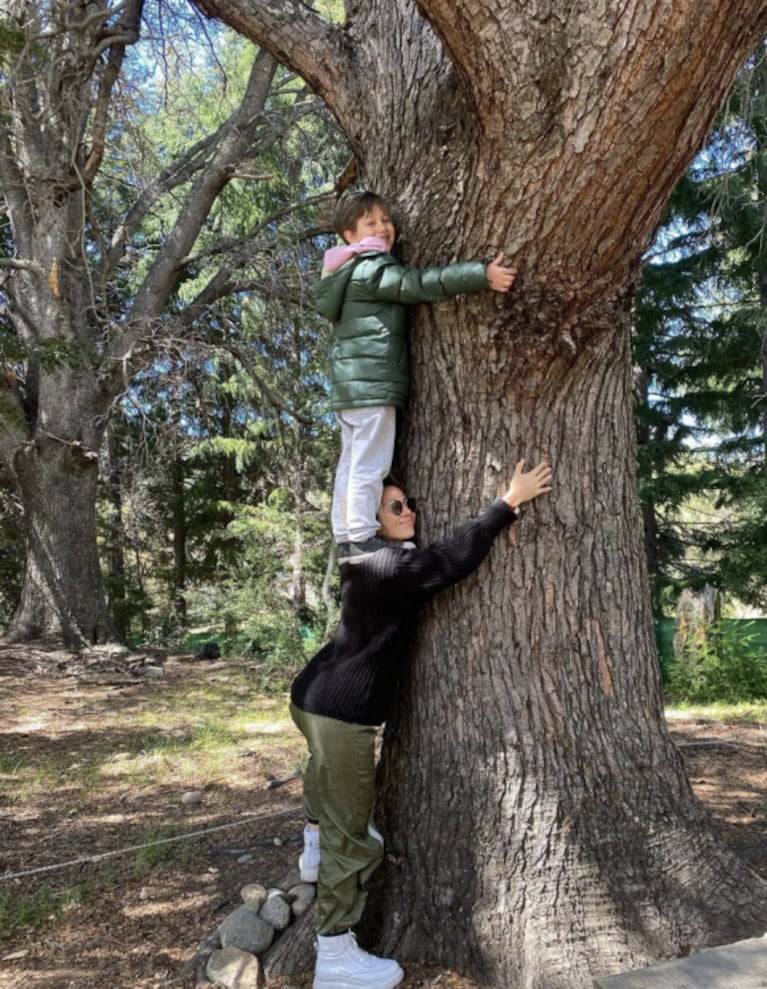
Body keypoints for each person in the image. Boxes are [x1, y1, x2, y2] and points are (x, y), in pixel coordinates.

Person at [290, 458, 553, 989]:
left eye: (409, 503)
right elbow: (452, 560)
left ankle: (313, 843)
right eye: (395, 506)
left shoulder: (366, 560)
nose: (408, 510)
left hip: (310, 697)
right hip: (341, 712)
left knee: (322, 780)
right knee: (355, 838)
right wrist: (507, 502)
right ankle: (335, 956)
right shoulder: (392, 567)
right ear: (373, 516)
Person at [314, 190, 518, 560]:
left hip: (351, 388)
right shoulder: (372, 267)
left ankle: (346, 534)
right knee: (370, 463)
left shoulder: (343, 271)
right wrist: (480, 274)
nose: (384, 227)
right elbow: (419, 283)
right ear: (350, 235)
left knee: (352, 461)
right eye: (370, 223)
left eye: (385, 220)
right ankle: (360, 533)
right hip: (372, 384)